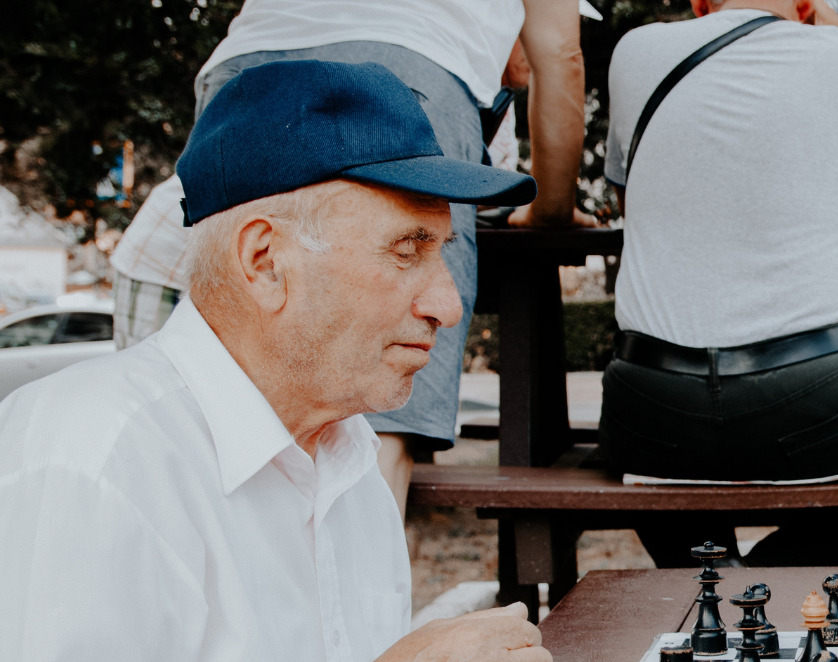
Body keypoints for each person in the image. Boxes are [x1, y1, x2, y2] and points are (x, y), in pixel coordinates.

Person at [0, 61, 555, 662]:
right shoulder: (88, 467)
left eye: (441, 251)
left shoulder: (349, 465)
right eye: (406, 251)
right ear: (264, 262)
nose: (449, 304)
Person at [107, 0, 597, 514]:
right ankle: (355, 565)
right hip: (413, 63)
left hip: (244, 63)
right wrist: (551, 210)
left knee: (225, 406)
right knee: (381, 416)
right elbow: (560, 54)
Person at [599, 0, 838, 566]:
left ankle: (708, 580)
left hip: (649, 402)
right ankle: (765, 585)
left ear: (700, 5)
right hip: (823, 393)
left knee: (663, 456)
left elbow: (633, 198)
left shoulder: (635, 53)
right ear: (807, 6)